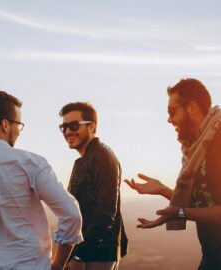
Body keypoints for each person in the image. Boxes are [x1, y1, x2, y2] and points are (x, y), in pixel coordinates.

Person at [0, 91, 83, 270]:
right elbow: (71, 214)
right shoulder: (32, 164)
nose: (18, 132)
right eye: (18, 125)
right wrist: (58, 265)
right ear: (5, 124)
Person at [125, 78, 221, 270]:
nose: (169, 119)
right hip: (212, 255)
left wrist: (179, 212)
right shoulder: (199, 147)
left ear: (192, 107)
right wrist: (163, 190)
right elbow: (207, 203)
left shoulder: (217, 142)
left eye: (172, 111)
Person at [59, 102, 128, 270]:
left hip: (97, 254)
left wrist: (79, 254)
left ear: (92, 126)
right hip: (87, 252)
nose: (68, 131)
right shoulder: (85, 159)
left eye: (74, 125)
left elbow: (105, 213)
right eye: (64, 127)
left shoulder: (102, 156)